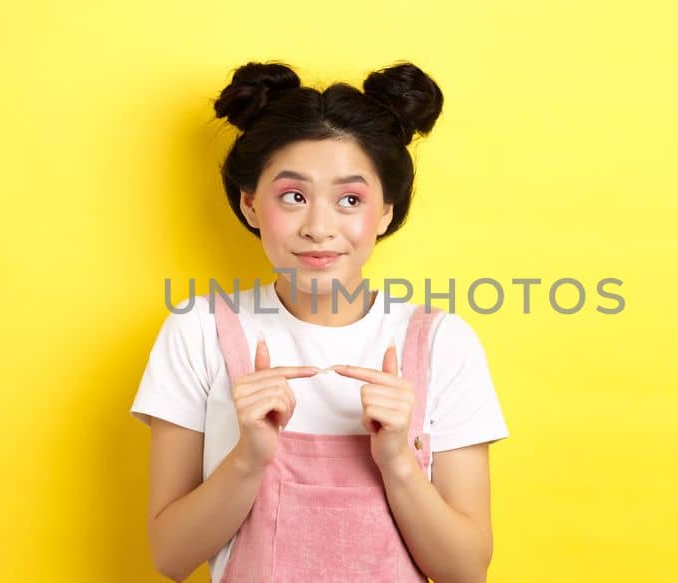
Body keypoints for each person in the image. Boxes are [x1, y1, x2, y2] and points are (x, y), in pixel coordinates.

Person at [130, 60, 508, 582]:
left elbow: (466, 571)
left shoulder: (443, 343)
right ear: (250, 204)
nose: (319, 228)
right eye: (294, 197)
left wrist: (398, 459)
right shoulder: (198, 332)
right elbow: (170, 558)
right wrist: (249, 457)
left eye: (350, 199)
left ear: (385, 214)